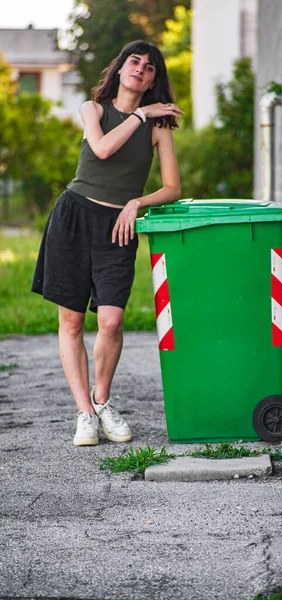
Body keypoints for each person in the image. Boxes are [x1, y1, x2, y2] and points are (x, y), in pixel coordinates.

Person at [31, 41, 183, 447]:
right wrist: (139, 114)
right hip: (74, 217)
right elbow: (101, 148)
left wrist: (137, 202)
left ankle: (102, 402)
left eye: (150, 67)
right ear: (119, 68)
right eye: (134, 61)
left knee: (112, 321)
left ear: (155, 79)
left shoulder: (159, 126)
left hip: (119, 225)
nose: (141, 69)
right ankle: (84, 413)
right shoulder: (92, 109)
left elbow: (172, 187)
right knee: (73, 321)